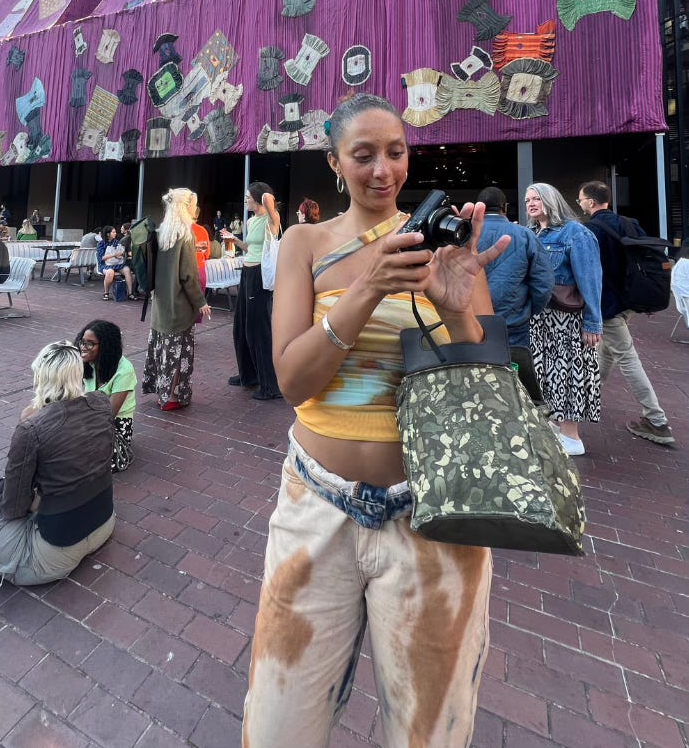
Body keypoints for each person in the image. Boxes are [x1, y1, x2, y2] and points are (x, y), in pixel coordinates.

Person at [242, 93, 510, 747]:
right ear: (336, 161)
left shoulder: (444, 254)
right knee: (278, 727)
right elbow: (292, 379)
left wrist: (453, 305)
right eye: (363, 155)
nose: (383, 169)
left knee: (429, 733)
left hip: (430, 518)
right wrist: (367, 290)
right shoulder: (305, 243)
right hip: (314, 510)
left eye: (395, 151)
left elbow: (488, 394)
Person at [0, 341, 115, 584]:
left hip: (54, 553)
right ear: (79, 374)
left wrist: (27, 423)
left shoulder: (32, 428)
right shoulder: (101, 402)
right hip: (104, 523)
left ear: (40, 377)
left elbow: (12, 508)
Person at [578, 181, 675, 446]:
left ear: (591, 202)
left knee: (627, 358)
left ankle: (656, 419)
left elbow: (588, 271)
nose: (581, 205)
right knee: (608, 351)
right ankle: (590, 397)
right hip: (631, 300)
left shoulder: (590, 231)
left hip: (608, 305)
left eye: (581, 201)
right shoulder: (629, 223)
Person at [525, 183, 603, 456]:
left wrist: (593, 322)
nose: (531, 203)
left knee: (569, 373)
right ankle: (558, 427)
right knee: (546, 375)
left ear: (551, 200)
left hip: (566, 319)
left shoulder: (576, 233)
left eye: (537, 198)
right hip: (540, 320)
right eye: (528, 200)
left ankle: (572, 436)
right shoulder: (532, 233)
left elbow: (591, 280)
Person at [141, 188, 211, 411]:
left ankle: (160, 392)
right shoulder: (185, 235)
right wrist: (201, 302)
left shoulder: (162, 232)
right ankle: (172, 396)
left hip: (160, 305)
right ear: (187, 207)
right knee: (178, 354)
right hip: (179, 308)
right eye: (193, 204)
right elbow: (188, 276)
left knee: (161, 350)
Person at [476, 186, 553, 348]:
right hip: (513, 322)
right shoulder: (525, 234)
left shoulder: (464, 234)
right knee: (514, 370)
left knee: (473, 370)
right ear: (504, 208)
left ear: (479, 208)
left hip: (472, 321)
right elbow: (544, 283)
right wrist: (529, 310)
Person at [229, 182, 282, 401]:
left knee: (258, 330)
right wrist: (235, 241)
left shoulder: (272, 219)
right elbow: (251, 249)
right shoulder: (250, 221)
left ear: (258, 198)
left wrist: (263, 195)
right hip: (247, 274)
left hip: (260, 276)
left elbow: (269, 199)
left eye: (248, 196)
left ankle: (270, 385)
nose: (245, 200)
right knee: (240, 327)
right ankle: (248, 375)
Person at [76, 320, 137, 471]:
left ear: (106, 347)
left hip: (114, 422)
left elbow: (109, 414)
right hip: (89, 415)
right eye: (82, 342)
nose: (83, 347)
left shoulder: (124, 370)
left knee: (94, 462)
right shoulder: (87, 362)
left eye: (90, 344)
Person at [97, 225, 136, 301]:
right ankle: (106, 292)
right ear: (108, 234)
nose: (115, 233)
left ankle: (130, 293)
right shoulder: (101, 244)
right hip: (104, 265)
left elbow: (121, 253)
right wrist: (114, 254)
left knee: (127, 270)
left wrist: (121, 254)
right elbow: (101, 258)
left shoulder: (116, 242)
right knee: (110, 272)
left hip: (117, 263)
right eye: (113, 232)